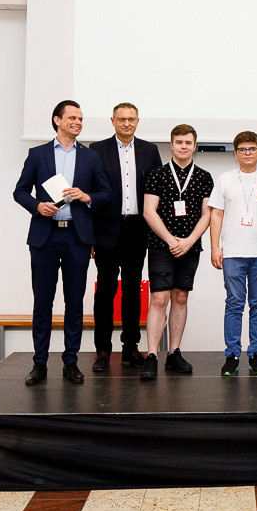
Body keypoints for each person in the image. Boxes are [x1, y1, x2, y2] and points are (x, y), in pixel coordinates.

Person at [13, 100, 113, 386]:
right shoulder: (38, 154)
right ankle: (40, 363)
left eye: (80, 119)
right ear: (57, 120)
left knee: (74, 302)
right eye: (72, 118)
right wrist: (37, 206)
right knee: (42, 302)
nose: (78, 122)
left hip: (77, 238)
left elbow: (106, 193)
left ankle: (71, 362)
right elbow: (20, 191)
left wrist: (87, 196)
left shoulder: (90, 157)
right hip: (44, 236)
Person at [90, 102, 163, 372]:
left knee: (133, 290)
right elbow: (90, 192)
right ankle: (102, 350)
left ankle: (131, 348)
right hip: (106, 230)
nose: (126, 123)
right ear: (112, 121)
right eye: (121, 119)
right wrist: (90, 237)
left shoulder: (150, 150)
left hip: (137, 230)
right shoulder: (97, 150)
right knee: (105, 291)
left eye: (131, 119)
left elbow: (157, 191)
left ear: (137, 121)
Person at [140, 124, 214, 380]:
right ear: (171, 145)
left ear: (195, 146)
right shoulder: (157, 175)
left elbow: (207, 214)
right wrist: (171, 240)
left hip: (190, 247)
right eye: (179, 142)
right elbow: (149, 211)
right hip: (161, 245)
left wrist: (189, 241)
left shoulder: (204, 177)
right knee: (159, 299)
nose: (183, 146)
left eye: (188, 142)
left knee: (180, 297)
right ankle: (151, 355)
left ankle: (174, 352)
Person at [209, 131, 257, 377]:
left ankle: (256, 354)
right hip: (233, 252)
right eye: (242, 149)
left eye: (252, 149)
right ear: (235, 153)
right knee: (234, 304)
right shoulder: (224, 179)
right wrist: (215, 247)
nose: (247, 153)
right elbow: (216, 214)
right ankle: (232, 355)